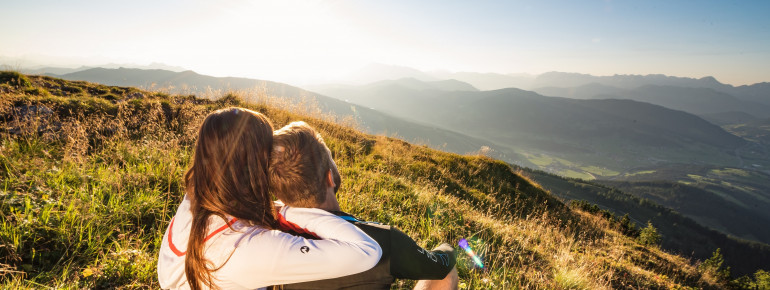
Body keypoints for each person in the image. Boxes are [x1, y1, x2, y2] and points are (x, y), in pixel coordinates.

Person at [157, 108, 382, 290]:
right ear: (255, 166)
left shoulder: (196, 196)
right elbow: (366, 251)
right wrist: (288, 210)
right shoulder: (248, 248)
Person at [268, 121, 458, 289]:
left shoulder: (260, 233)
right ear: (329, 177)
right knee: (447, 271)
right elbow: (440, 266)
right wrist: (449, 248)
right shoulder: (382, 240)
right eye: (331, 158)